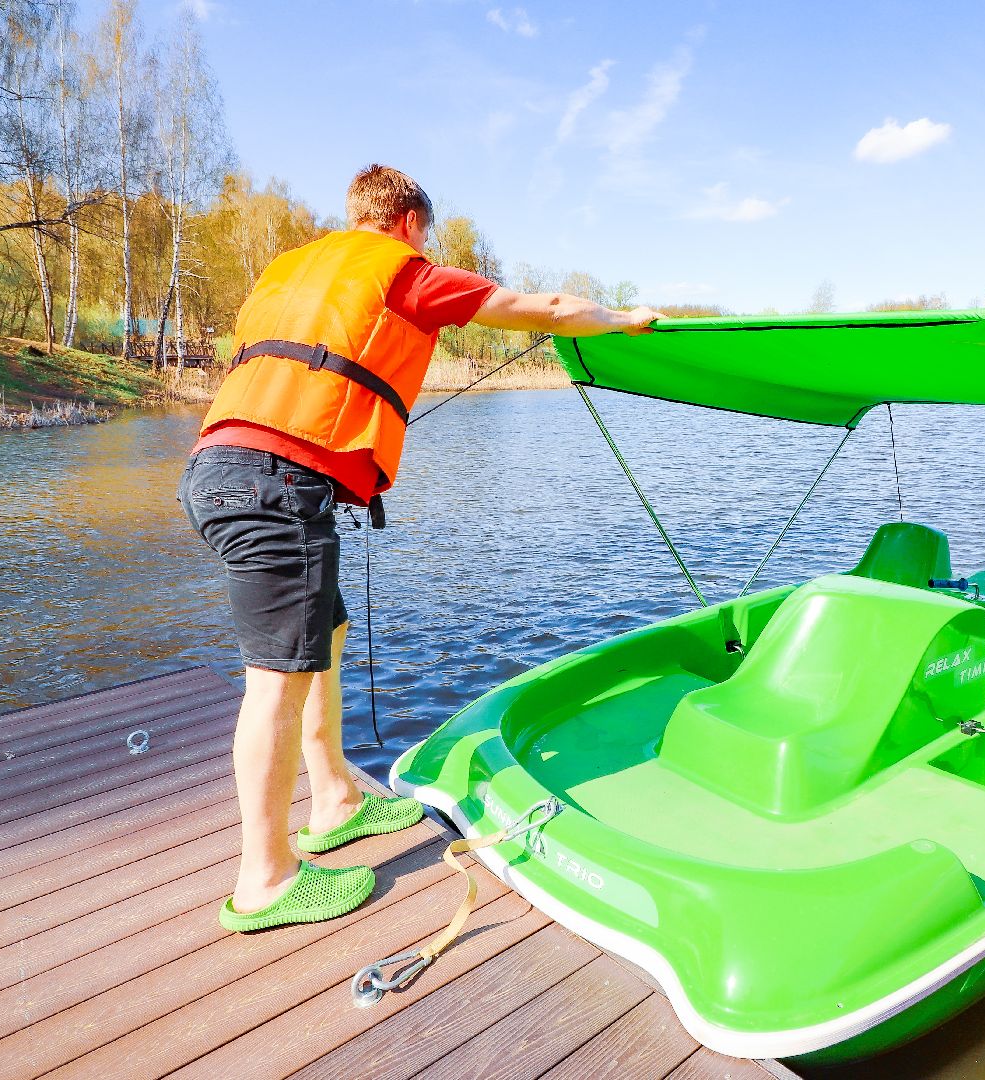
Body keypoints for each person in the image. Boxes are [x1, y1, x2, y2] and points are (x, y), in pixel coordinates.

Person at [179, 163, 660, 932]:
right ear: (407, 223)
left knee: (324, 628)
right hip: (272, 485)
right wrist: (625, 318)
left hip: (223, 471)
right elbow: (542, 306)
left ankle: (334, 797)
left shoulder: (291, 268)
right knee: (274, 679)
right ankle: (265, 878)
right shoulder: (404, 271)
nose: (425, 246)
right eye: (425, 234)